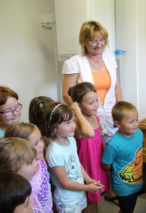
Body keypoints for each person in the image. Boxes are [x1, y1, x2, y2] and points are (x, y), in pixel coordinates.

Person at [62, 21, 121, 203]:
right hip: (88, 117)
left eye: (102, 40)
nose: (98, 45)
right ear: (84, 41)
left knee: (111, 153)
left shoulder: (110, 58)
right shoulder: (74, 62)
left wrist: (120, 111)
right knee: (94, 154)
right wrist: (82, 114)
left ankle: (111, 191)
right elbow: (67, 94)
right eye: (93, 41)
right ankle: (93, 189)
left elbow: (116, 86)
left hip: (110, 114)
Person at [42, 102, 104, 213]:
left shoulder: (71, 139)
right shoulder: (55, 153)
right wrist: (88, 188)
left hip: (79, 194)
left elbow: (76, 163)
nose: (73, 126)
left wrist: (89, 180)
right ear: (53, 128)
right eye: (67, 123)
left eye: (73, 120)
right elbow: (64, 183)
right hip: (67, 201)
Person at [68, 82, 108, 213]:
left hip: (96, 161)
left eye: (96, 100)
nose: (96, 104)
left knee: (95, 197)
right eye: (91, 103)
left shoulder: (94, 116)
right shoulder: (77, 123)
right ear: (78, 106)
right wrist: (78, 114)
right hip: (87, 163)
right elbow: (89, 133)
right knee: (89, 198)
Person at [102, 101, 144, 213]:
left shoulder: (139, 133)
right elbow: (106, 164)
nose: (135, 124)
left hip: (137, 181)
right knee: (127, 209)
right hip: (123, 187)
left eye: (137, 119)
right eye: (131, 122)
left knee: (130, 207)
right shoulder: (113, 144)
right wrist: (115, 170)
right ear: (118, 124)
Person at [5, 123, 53, 213]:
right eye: (36, 143)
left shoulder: (40, 159)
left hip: (47, 206)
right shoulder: (23, 176)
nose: (42, 145)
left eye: (40, 139)